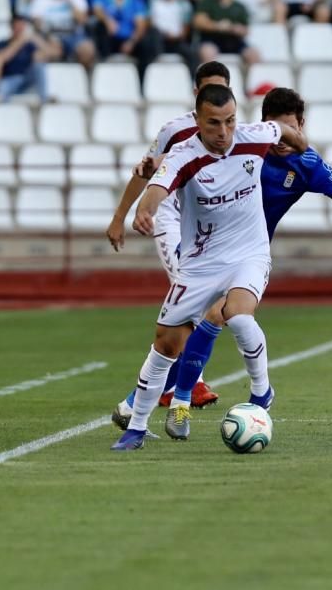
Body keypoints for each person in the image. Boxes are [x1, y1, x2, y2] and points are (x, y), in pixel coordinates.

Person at [110, 84, 332, 437]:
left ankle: (188, 403)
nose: (284, 140)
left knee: (224, 315)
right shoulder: (249, 145)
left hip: (248, 254)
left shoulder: (306, 164)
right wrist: (153, 168)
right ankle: (161, 404)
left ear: (300, 125)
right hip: (203, 247)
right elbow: (192, 155)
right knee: (183, 329)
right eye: (278, 129)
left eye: (292, 129)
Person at [110, 84, 309, 451]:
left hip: (249, 253)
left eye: (230, 121)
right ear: (198, 121)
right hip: (201, 260)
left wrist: (303, 147)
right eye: (214, 123)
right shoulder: (183, 154)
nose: (224, 132)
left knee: (237, 314)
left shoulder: (254, 135)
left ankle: (261, 395)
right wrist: (143, 210)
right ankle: (143, 423)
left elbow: (285, 131)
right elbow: (158, 186)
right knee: (167, 341)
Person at [107, 62, 235, 415]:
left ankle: (170, 384)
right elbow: (146, 170)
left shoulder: (234, 135)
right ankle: (186, 385)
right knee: (192, 292)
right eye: (208, 89)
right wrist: (122, 216)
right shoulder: (174, 130)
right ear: (196, 94)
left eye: (221, 89)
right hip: (168, 215)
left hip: (203, 222)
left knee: (212, 301)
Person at [92, 0, 160, 79]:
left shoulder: (136, 1)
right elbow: (97, 10)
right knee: (100, 27)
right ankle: (104, 74)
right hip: (110, 39)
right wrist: (107, 20)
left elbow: (140, 25)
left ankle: (142, 80)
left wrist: (131, 42)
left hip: (129, 40)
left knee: (146, 42)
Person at [29, 0, 96, 69]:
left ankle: (85, 81)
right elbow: (37, 24)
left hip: (74, 34)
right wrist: (48, 34)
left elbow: (82, 20)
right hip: (50, 35)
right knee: (43, 54)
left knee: (88, 50)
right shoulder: (40, 0)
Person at [193, 0, 258, 64]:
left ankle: (249, 78)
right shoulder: (207, 2)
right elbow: (198, 22)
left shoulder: (239, 6)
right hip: (212, 40)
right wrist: (217, 26)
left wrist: (234, 28)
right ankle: (210, 77)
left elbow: (246, 30)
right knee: (207, 52)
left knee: (253, 54)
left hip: (235, 42)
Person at [0, 14, 53, 102]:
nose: (20, 29)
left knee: (39, 65)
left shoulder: (29, 45)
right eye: (18, 26)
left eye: (22, 26)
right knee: (1, 90)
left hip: (26, 79)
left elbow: (51, 53)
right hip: (9, 79)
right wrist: (20, 41)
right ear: (12, 27)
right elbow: (4, 57)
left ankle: (44, 100)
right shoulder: (2, 43)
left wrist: (36, 39)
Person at [150, 0, 194, 65]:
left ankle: (194, 78)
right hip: (158, 39)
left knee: (192, 54)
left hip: (176, 41)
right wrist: (164, 34)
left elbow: (185, 30)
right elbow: (150, 23)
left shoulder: (184, 4)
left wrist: (174, 36)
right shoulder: (154, 1)